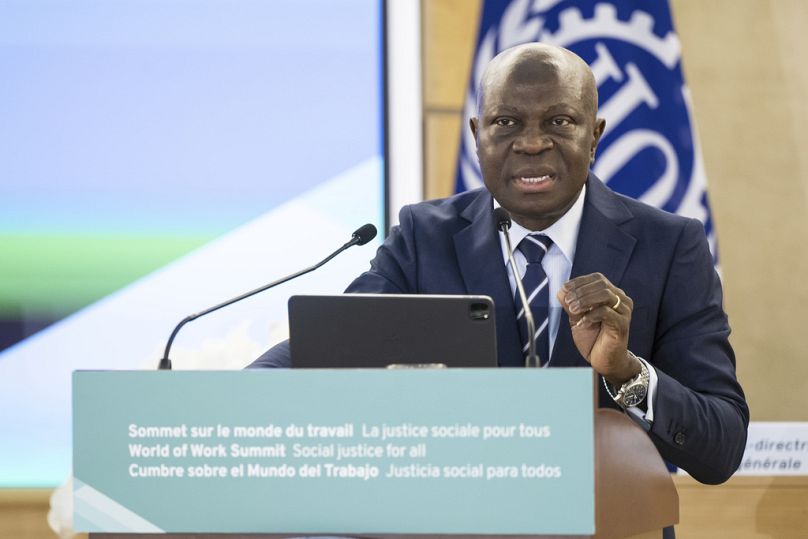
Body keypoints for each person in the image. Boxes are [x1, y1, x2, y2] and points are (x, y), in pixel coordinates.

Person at [250, 43, 748, 487]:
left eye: (559, 122)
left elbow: (721, 445)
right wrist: (228, 396)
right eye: (506, 122)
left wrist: (625, 373)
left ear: (594, 136)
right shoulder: (426, 237)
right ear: (477, 133)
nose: (531, 143)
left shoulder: (670, 246)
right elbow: (336, 342)